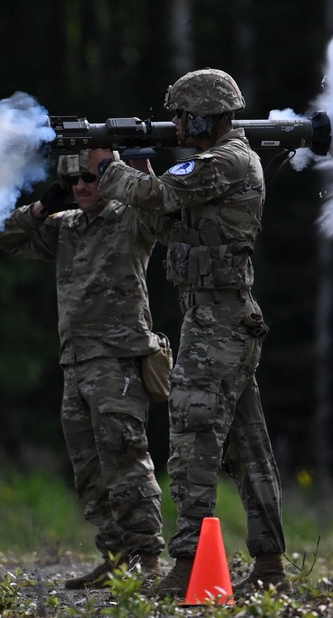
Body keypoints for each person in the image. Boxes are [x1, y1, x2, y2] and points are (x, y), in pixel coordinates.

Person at [87, 68, 287, 597]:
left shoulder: (225, 160)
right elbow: (169, 216)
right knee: (247, 446)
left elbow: (155, 196)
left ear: (206, 114)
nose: (175, 123)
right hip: (217, 317)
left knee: (193, 439)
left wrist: (108, 167)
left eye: (182, 114)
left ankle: (188, 566)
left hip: (219, 322)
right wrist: (134, 177)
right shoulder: (218, 164)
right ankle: (269, 568)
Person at [0, 151, 167, 589]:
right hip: (76, 363)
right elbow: (7, 237)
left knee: (125, 458)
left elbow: (162, 207)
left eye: (90, 178)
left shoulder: (129, 218)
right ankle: (115, 557)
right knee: (88, 469)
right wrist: (41, 207)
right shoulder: (65, 226)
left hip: (118, 359)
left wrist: (119, 170)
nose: (82, 188)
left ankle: (147, 561)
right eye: (73, 182)